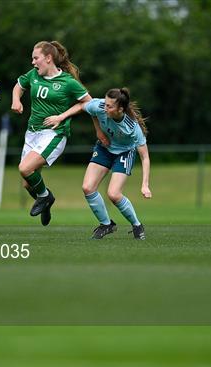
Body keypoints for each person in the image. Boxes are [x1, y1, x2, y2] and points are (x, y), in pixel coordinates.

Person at [44, 87, 152, 239]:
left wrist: (145, 184)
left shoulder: (132, 127)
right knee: (88, 188)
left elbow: (145, 157)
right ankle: (106, 224)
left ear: (120, 109)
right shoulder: (100, 106)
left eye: (109, 106)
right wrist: (61, 117)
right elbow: (82, 106)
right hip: (104, 148)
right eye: (105, 103)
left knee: (113, 194)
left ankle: (137, 225)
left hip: (124, 152)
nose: (104, 107)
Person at [11, 41, 92, 226]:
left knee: (24, 168)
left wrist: (61, 116)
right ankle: (46, 201)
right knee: (26, 183)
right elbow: (18, 85)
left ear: (48, 58)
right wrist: (16, 100)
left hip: (53, 134)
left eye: (35, 58)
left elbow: (88, 102)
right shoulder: (33, 75)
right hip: (32, 133)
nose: (32, 62)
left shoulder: (68, 82)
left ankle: (44, 197)